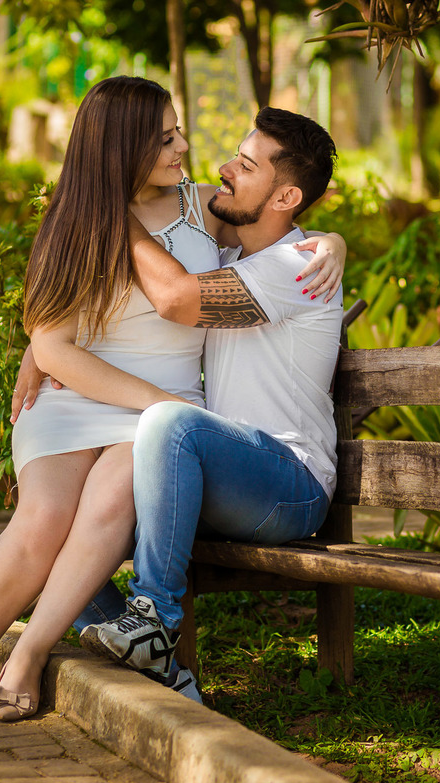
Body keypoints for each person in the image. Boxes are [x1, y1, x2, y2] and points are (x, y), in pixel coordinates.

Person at [0, 78, 343, 721]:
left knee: (108, 504)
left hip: (168, 416)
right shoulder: (75, 220)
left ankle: (28, 654)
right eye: (165, 136)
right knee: (42, 521)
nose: (186, 146)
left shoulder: (201, 209)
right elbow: (53, 340)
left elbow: (271, 233)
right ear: (121, 149)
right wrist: (40, 343)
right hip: (86, 395)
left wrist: (334, 241)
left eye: (178, 130)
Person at [77, 107, 343, 686]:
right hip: (232, 477)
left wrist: (107, 211)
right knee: (63, 527)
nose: (223, 169)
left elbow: (174, 299)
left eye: (245, 167)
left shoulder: (296, 268)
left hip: (290, 483)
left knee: (172, 423)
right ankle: (163, 674)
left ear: (285, 197)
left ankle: (154, 619)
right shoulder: (232, 259)